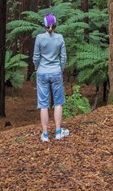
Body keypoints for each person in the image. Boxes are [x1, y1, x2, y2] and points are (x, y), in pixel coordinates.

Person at [33, 13, 70, 142]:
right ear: (55, 25)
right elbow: (63, 57)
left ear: (44, 25)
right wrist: (60, 69)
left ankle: (45, 134)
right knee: (58, 102)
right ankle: (58, 132)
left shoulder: (39, 38)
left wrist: (37, 67)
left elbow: (36, 57)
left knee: (43, 104)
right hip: (56, 72)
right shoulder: (60, 38)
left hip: (42, 73)